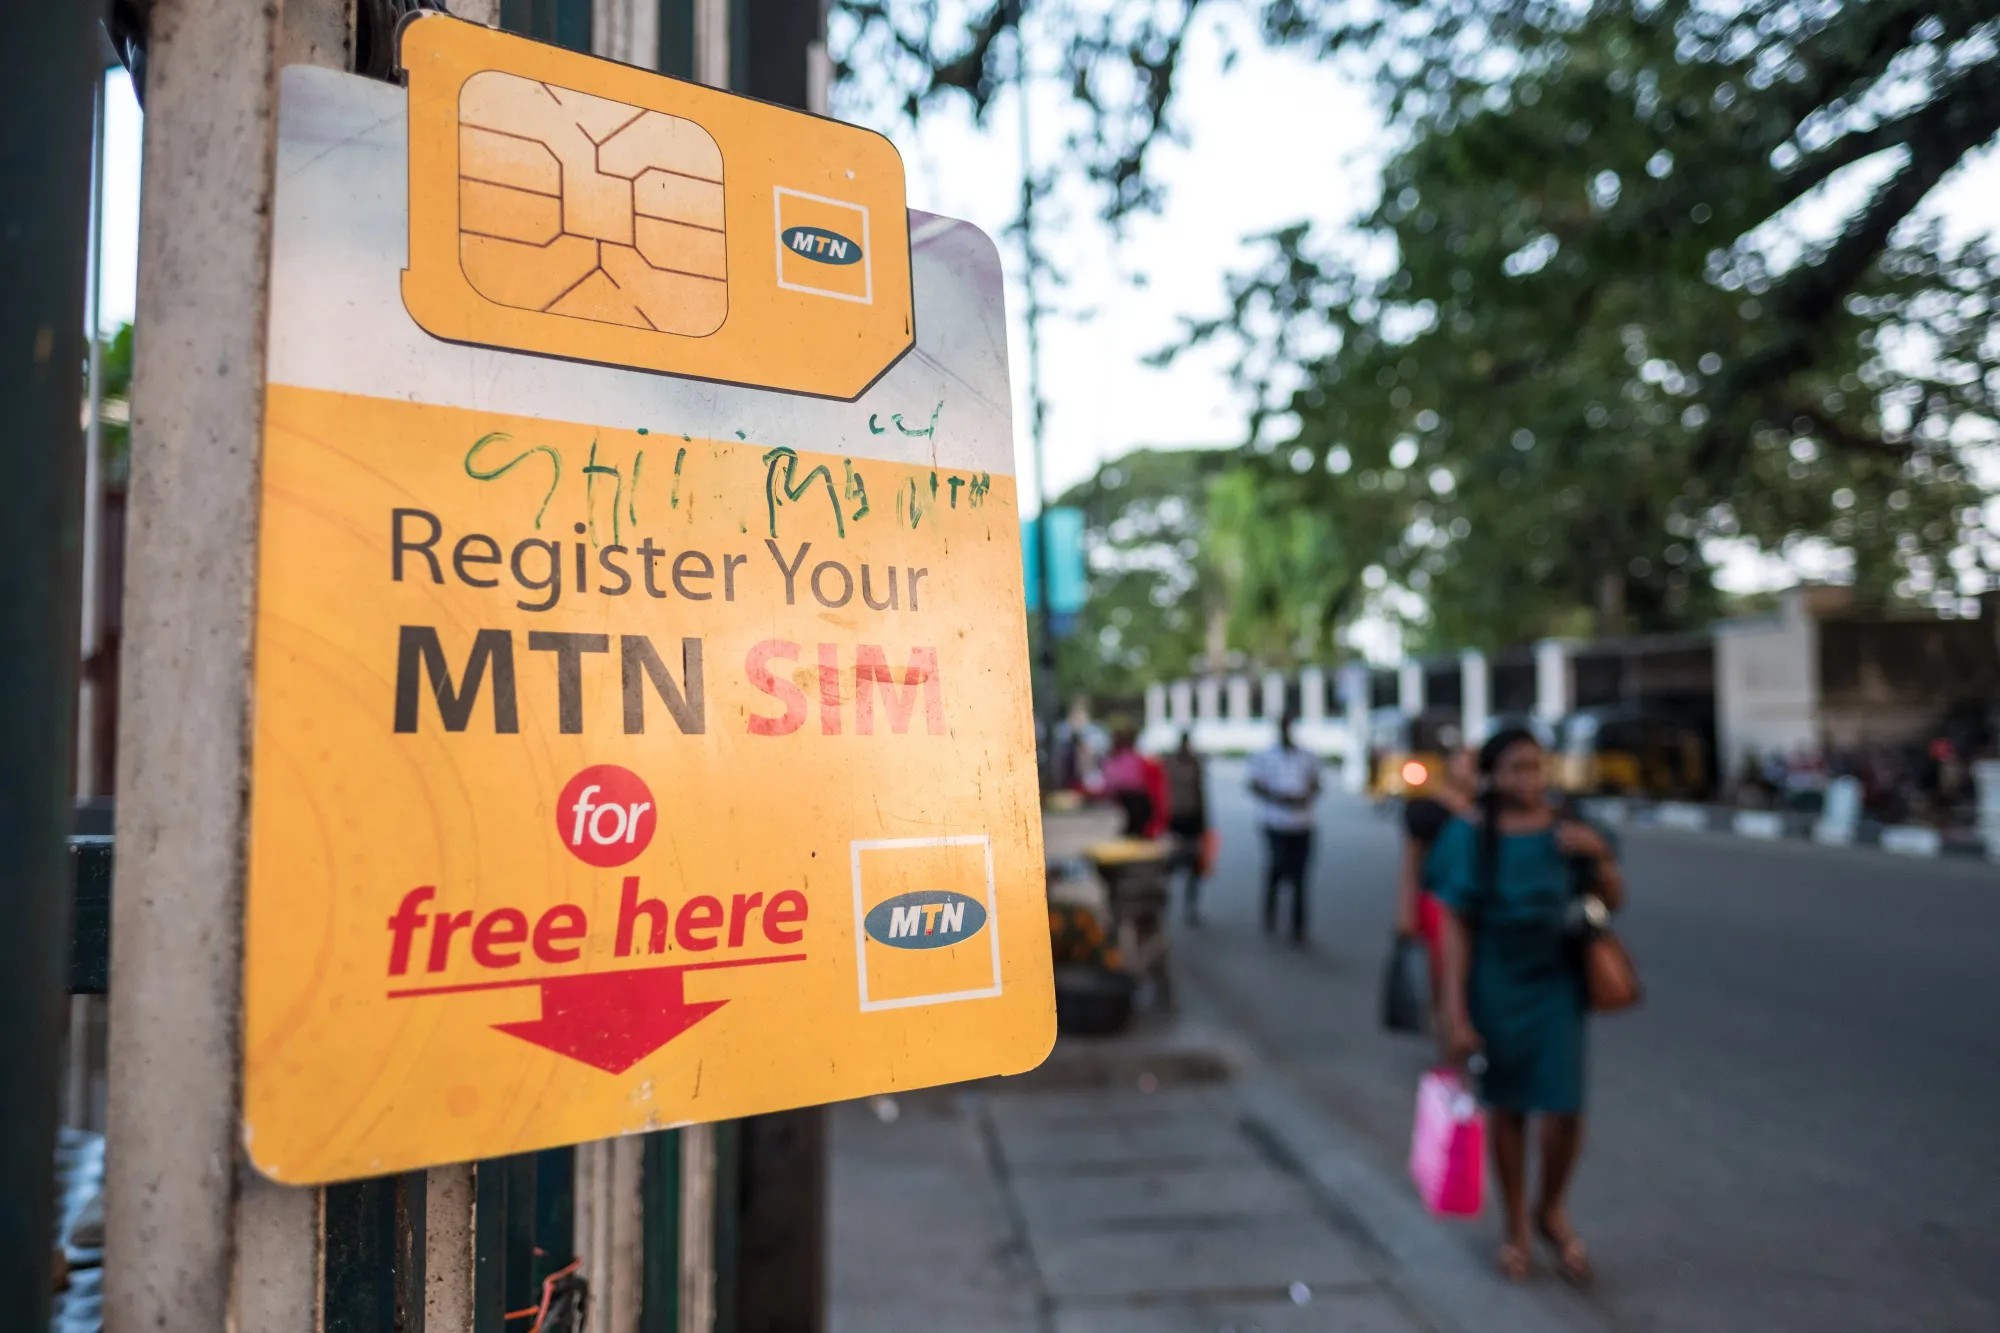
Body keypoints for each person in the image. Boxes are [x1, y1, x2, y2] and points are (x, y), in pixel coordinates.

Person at [1430, 727, 1625, 1284]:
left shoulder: (1570, 826)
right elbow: (1455, 929)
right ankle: (1515, 1224)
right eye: (1515, 768)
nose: (1528, 780)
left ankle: (1550, 1208)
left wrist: (1600, 858)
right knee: (1509, 1107)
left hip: (1558, 981)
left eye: (1535, 767)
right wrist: (1454, 1013)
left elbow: (1612, 902)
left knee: (1565, 1108)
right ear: (1491, 776)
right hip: (1497, 982)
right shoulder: (1470, 834)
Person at [1397, 747, 1477, 1003]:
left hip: (1474, 902)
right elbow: (1411, 863)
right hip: (1437, 901)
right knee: (1442, 972)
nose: (1471, 769)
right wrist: (1405, 911)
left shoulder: (1486, 810)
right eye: (1465, 762)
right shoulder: (1426, 810)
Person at [1247, 711, 1321, 944]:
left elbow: (1316, 784)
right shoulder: (1265, 756)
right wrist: (1278, 798)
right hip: (1276, 822)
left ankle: (1298, 927)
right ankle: (1270, 915)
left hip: (1302, 823)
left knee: (1300, 877)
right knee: (1277, 868)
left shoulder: (1307, 756)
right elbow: (1254, 784)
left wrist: (1302, 798)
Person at [1161, 730, 1210, 923]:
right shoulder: (1169, 763)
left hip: (1191, 819)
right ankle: (1165, 905)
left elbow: (1200, 792)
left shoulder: (1194, 764)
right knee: (1169, 866)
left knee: (1193, 866)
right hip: (1173, 819)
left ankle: (1191, 905)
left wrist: (1204, 822)